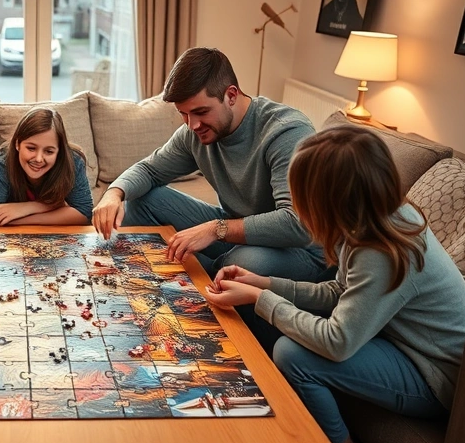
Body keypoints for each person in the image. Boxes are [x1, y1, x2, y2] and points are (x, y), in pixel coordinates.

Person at [202, 126, 465, 443]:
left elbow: (337, 342)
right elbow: (339, 290)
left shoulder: (381, 250)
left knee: (293, 353)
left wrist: (260, 300)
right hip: (397, 342)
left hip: (434, 378)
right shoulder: (372, 219)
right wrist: (263, 283)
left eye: (302, 200)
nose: (299, 211)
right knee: (289, 326)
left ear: (332, 200)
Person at [92, 47, 331, 284]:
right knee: (140, 198)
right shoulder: (193, 132)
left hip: (302, 252)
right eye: (183, 114)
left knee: (244, 264)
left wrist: (215, 229)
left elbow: (298, 224)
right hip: (237, 233)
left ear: (231, 95)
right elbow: (149, 170)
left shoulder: (287, 132)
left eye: (201, 112)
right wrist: (114, 193)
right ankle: (200, 271)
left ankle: (192, 272)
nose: (192, 125)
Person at [0, 108, 93, 225]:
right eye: (31, 148)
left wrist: (27, 209)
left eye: (49, 151)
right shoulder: (3, 161)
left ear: (59, 151)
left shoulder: (74, 161)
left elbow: (84, 213)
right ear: (17, 144)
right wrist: (55, 205)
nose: (38, 159)